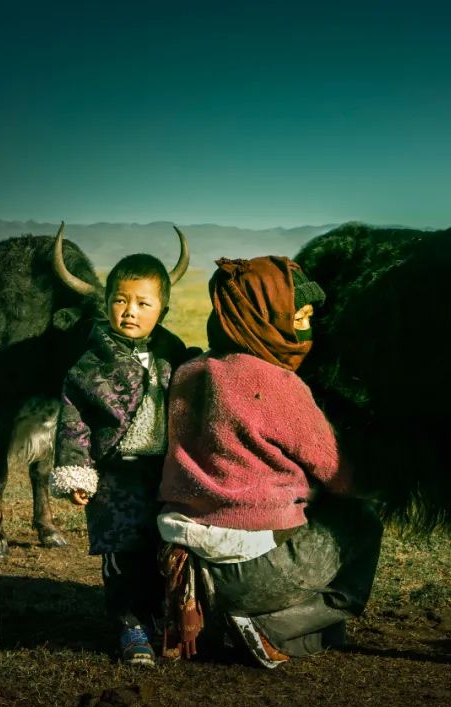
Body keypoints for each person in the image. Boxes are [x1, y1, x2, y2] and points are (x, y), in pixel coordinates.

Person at [157, 255, 383, 668]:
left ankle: (226, 619)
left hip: (182, 561)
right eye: (300, 317)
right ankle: (271, 628)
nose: (307, 328)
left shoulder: (189, 370)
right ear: (262, 318)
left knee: (324, 633)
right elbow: (338, 475)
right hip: (256, 570)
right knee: (362, 522)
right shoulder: (277, 382)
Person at [50, 253, 195, 667]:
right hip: (114, 476)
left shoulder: (174, 353)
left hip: (162, 473)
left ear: (162, 309)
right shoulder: (88, 364)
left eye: (143, 303)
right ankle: (129, 625)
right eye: (120, 300)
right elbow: (73, 421)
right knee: (121, 551)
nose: (130, 311)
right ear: (107, 303)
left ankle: (160, 620)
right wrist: (78, 472)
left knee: (163, 547)